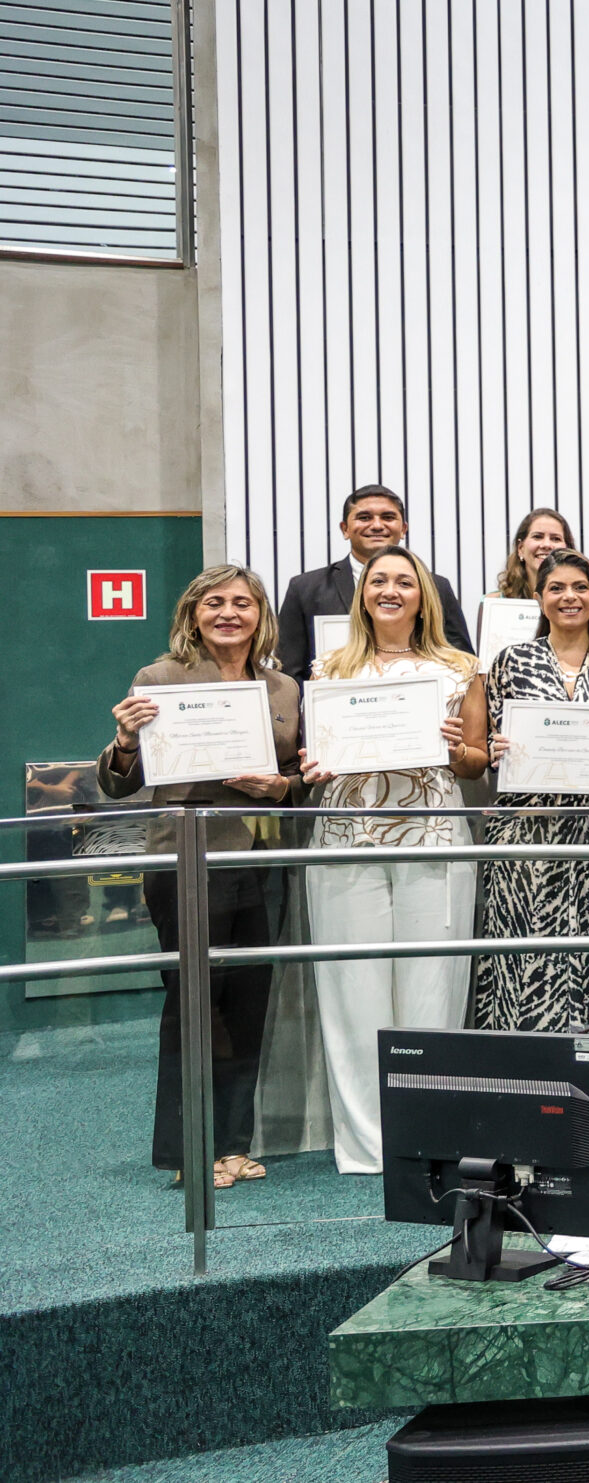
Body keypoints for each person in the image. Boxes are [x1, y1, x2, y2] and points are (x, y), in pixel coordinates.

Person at [98, 566, 298, 1187]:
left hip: (259, 860)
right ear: (193, 613)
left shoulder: (283, 687)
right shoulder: (158, 680)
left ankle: (234, 1145)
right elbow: (116, 781)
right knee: (193, 1006)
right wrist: (126, 740)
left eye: (243, 603)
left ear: (261, 615)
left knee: (247, 1006)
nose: (229, 613)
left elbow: (295, 773)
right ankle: (189, 1151)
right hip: (184, 859)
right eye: (215, 602)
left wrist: (282, 785)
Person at [300, 547, 489, 1174]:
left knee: (432, 991)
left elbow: (475, 763)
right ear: (362, 594)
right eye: (378, 580)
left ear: (422, 596)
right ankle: (367, 1146)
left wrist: (460, 747)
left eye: (403, 581)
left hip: (434, 839)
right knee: (353, 992)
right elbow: (314, 758)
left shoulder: (461, 666)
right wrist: (312, 767)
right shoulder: (328, 668)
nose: (390, 590)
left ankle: (430, 1136)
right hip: (347, 839)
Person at [473, 551, 589, 1044]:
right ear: (539, 598)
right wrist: (498, 748)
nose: (569, 597)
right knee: (526, 952)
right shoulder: (512, 660)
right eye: (556, 588)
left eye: (579, 587)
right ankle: (527, 1075)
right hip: (528, 833)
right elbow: (494, 735)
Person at [275, 485, 474, 680]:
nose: (377, 525)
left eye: (388, 517)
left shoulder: (436, 586)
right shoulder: (305, 588)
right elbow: (290, 673)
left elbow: (461, 661)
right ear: (345, 529)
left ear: (403, 528)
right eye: (364, 517)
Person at [491, 508, 575, 600]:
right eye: (537, 537)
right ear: (520, 548)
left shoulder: (580, 602)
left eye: (555, 539)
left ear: (568, 549)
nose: (546, 545)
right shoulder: (493, 603)